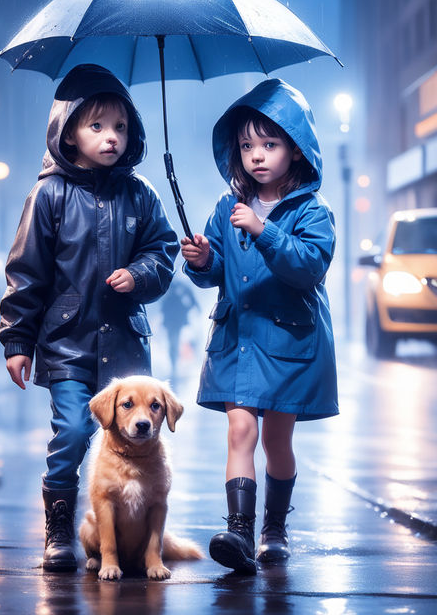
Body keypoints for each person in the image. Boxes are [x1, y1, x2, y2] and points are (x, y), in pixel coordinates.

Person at [0, 64, 179, 571]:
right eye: (97, 126)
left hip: (124, 345)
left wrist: (140, 275)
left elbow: (163, 254)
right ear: (68, 132)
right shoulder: (50, 194)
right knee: (75, 433)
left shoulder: (140, 195)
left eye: (120, 127)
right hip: (67, 344)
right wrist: (17, 340)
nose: (111, 137)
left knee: (137, 440)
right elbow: (26, 271)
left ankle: (136, 537)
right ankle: (59, 528)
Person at [181, 78, 338, 574]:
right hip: (239, 340)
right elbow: (214, 273)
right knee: (240, 431)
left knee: (277, 443)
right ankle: (239, 532)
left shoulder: (312, 211)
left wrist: (265, 229)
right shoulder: (225, 209)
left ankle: (274, 527)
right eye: (247, 145)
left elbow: (308, 266)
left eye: (269, 144)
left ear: (295, 149)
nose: (257, 155)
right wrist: (203, 259)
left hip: (289, 343)